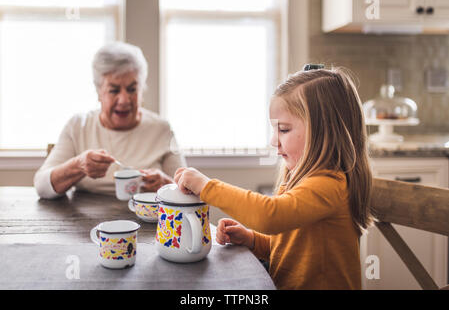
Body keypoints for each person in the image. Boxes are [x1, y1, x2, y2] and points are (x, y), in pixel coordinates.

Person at [174, 65, 374, 290]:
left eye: (284, 130)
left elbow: (270, 216)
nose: (273, 141)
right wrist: (252, 239)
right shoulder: (303, 181)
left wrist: (206, 186)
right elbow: (290, 245)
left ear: (324, 132)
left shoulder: (329, 185)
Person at [34, 42, 186, 199]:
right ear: (99, 92)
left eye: (132, 89)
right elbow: (41, 186)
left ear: (141, 90)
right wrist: (78, 165)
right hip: (84, 221)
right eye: (114, 90)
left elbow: (185, 189)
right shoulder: (78, 126)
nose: (124, 100)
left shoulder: (161, 129)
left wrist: (166, 185)